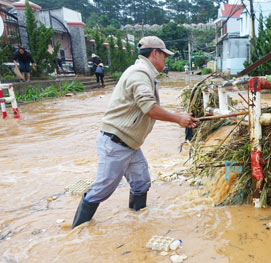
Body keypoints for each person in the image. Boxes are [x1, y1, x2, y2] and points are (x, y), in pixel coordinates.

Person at [72, 36, 199, 228]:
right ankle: (77, 231)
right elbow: (149, 107)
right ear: (155, 53)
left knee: (141, 182)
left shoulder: (145, 73)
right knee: (102, 189)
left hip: (130, 144)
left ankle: (137, 222)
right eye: (165, 56)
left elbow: (149, 107)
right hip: (116, 142)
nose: (166, 60)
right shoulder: (139, 74)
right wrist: (178, 119)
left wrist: (179, 116)